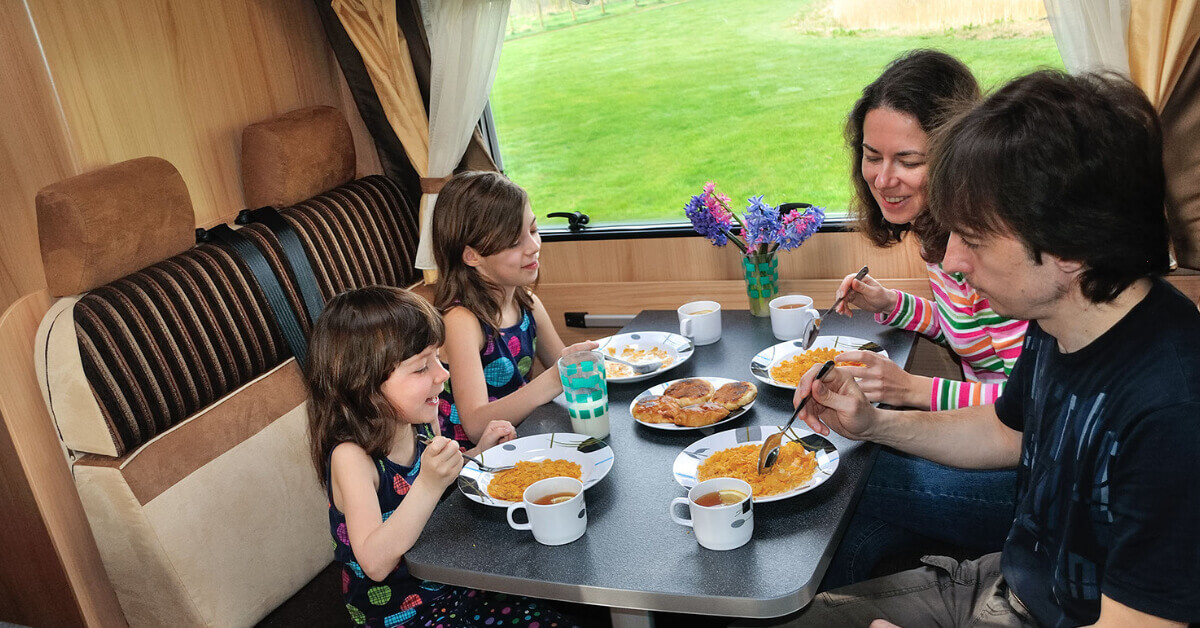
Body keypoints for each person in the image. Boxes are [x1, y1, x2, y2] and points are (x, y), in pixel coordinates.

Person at [778, 71, 1200, 626]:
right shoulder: (1058, 318)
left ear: (1070, 247)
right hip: (1006, 583)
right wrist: (873, 423)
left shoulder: (1173, 410)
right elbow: (1004, 431)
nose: (950, 261)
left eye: (972, 240)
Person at [822, 49, 1025, 588]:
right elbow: (972, 332)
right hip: (987, 445)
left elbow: (1029, 403)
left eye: (908, 161)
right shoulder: (941, 234)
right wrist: (892, 305)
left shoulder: (998, 249)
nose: (883, 179)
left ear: (958, 156)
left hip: (1022, 474)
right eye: (872, 156)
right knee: (856, 523)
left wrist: (916, 390)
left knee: (844, 475)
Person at [306, 286, 582, 628]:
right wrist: (429, 484)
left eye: (437, 358)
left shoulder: (418, 422)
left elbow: (443, 475)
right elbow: (375, 562)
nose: (443, 374)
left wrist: (478, 454)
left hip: (459, 587)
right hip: (402, 616)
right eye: (422, 367)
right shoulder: (352, 457)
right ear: (363, 381)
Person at [432, 171, 596, 449]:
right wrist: (556, 377)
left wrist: (578, 364)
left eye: (532, 230)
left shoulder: (526, 302)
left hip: (522, 440)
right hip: (474, 466)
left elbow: (565, 368)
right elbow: (474, 426)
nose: (533, 247)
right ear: (472, 255)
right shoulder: (461, 321)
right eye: (513, 242)